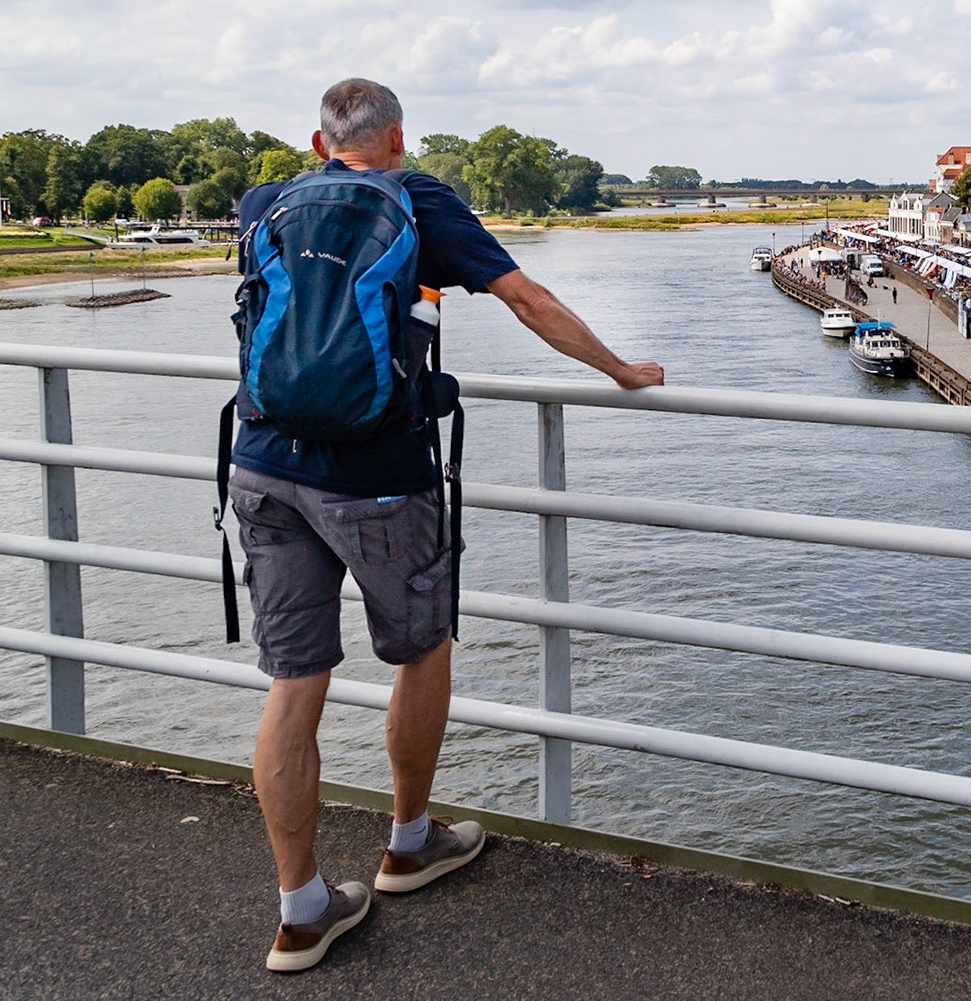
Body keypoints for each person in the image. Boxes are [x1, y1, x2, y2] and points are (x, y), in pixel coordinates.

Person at [230, 79, 664, 973]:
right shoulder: (419, 198)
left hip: (264, 466)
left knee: (293, 683)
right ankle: (409, 842)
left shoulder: (265, 204)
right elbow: (529, 300)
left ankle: (302, 911)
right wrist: (621, 369)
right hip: (381, 478)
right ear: (395, 137)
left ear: (319, 142)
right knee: (422, 652)